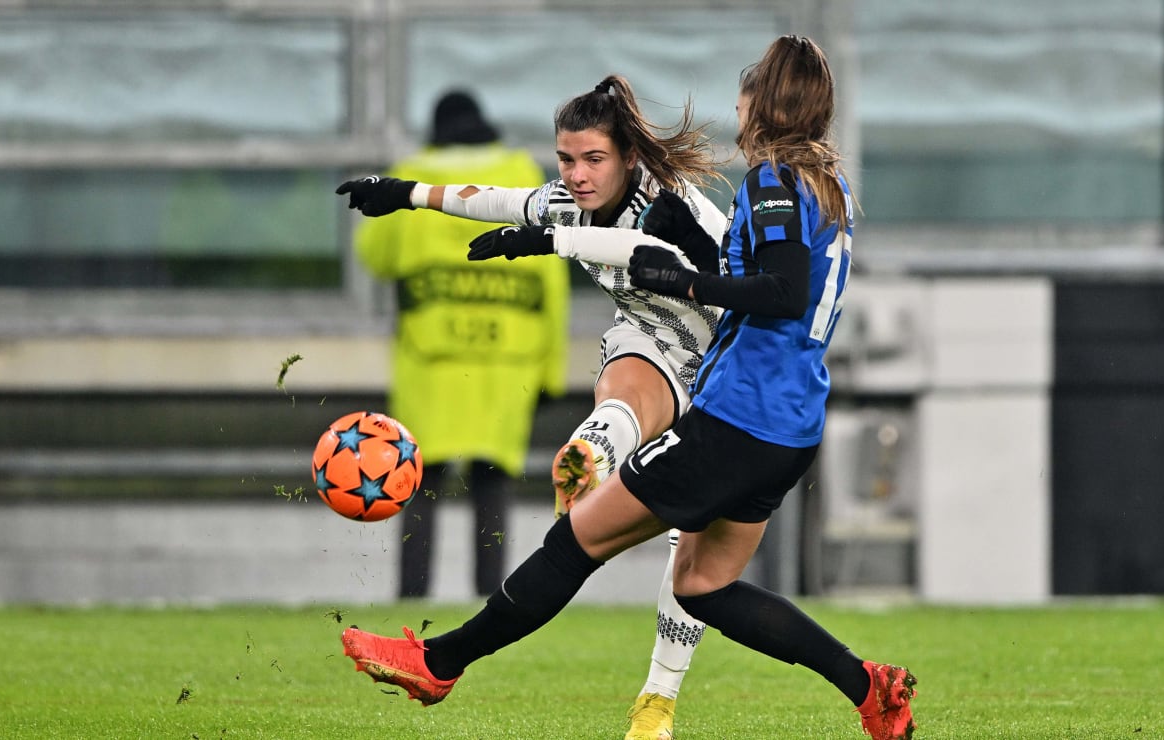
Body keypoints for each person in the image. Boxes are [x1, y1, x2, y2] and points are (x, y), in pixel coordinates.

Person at [338, 35, 918, 740]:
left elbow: (782, 291)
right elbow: (529, 206)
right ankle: (869, 688)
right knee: (703, 586)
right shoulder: (825, 181)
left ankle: (439, 661)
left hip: (736, 416)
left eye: (745, 91)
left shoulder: (771, 179)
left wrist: (684, 278)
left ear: (764, 102)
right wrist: (406, 194)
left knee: (577, 540)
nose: (735, 105)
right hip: (789, 426)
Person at [337, 75, 728, 739]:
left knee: (700, 570)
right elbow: (496, 199)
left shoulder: (667, 207)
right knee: (620, 386)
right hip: (653, 345)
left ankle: (668, 700)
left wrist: (551, 241)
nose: (575, 176)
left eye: (592, 160)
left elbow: (641, 252)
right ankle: (596, 446)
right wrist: (402, 194)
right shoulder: (574, 196)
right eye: (566, 159)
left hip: (729, 365)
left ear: (630, 156)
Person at [350, 90, 571, 598]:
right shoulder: (520, 172)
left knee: (418, 481)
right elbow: (551, 284)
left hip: (431, 361)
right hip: (507, 360)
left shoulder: (411, 172)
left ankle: (411, 597)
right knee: (492, 481)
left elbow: (373, 255)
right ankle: (491, 600)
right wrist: (552, 371)